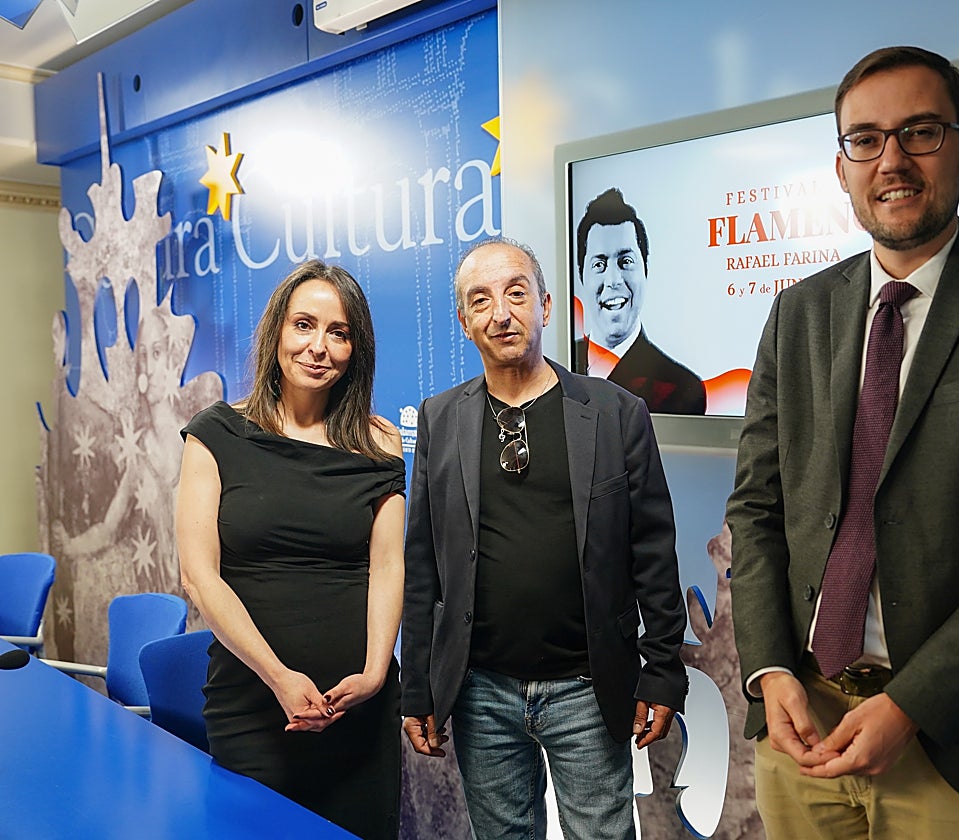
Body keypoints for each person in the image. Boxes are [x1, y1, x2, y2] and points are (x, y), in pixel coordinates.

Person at [725, 46, 959, 839]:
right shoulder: (798, 313)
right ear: (842, 168)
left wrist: (912, 702)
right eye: (865, 140)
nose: (891, 160)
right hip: (803, 721)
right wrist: (767, 671)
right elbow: (756, 507)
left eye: (920, 132)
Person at [401, 237, 688, 840]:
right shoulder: (440, 419)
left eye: (516, 293)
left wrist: (663, 669)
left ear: (547, 305)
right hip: (480, 691)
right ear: (464, 322)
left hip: (587, 687)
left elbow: (653, 554)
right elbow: (423, 562)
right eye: (481, 300)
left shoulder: (615, 413)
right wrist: (418, 685)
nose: (501, 313)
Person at [176, 259, 406, 840]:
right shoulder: (216, 432)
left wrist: (375, 674)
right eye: (304, 325)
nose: (318, 347)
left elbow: (387, 566)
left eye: (339, 332)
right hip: (252, 707)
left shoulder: (379, 441)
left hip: (359, 714)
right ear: (277, 331)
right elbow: (199, 576)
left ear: (356, 348)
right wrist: (278, 677)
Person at [573, 187, 707, 415]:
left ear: (645, 268)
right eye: (599, 264)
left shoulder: (682, 388)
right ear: (581, 275)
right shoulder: (555, 371)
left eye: (625, 261)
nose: (613, 280)